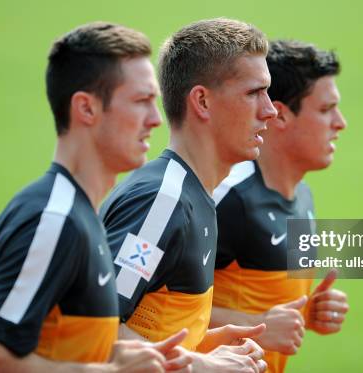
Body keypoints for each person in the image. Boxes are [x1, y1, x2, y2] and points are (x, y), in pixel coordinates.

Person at [0, 22, 191, 372]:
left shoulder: (80, 216)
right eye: (142, 101)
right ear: (87, 109)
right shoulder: (55, 221)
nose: (156, 119)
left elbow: (57, 345)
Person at [100, 18, 278, 372]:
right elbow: (89, 328)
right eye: (253, 93)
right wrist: (199, 366)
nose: (270, 109)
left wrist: (203, 344)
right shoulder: (162, 203)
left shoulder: (196, 196)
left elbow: (143, 325)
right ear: (202, 101)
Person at [210, 39, 350, 373]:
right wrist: (257, 323)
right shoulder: (228, 198)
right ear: (282, 116)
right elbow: (150, 308)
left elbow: (261, 301)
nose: (341, 122)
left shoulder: (303, 197)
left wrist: (306, 314)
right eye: (326, 109)